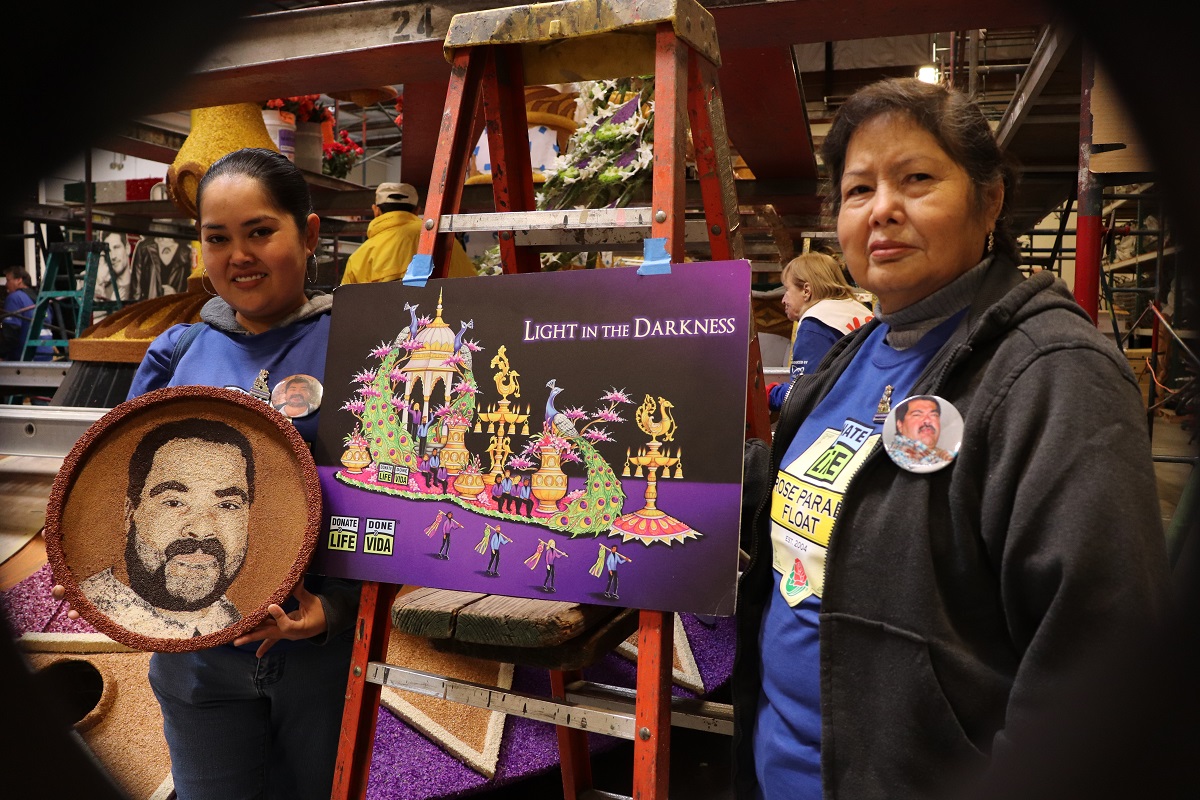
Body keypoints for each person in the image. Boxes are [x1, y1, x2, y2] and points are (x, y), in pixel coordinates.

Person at [732, 78, 1172, 800]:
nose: (883, 209)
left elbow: (1101, 667)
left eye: (916, 179)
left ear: (989, 200)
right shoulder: (854, 354)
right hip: (781, 770)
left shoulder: (1054, 375)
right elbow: (828, 502)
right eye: (858, 189)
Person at [54, 148, 360, 800]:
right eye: (217, 238)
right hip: (195, 667)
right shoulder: (177, 352)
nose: (239, 255)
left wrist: (336, 612)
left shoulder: (360, 351)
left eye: (260, 231)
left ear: (308, 234)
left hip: (319, 660)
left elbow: (400, 506)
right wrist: (86, 560)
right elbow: (116, 482)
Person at [80, 419, 253, 639]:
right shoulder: (80, 612)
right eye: (174, 502)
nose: (201, 530)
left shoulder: (237, 620)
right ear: (131, 512)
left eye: (227, 505)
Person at [766, 251, 874, 412]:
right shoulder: (862, 311)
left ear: (806, 290)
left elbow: (804, 395)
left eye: (787, 289)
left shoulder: (815, 324)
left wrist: (770, 394)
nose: (783, 300)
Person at [339, 181, 476, 284]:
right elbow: (473, 286)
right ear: (417, 210)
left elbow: (346, 306)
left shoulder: (359, 258)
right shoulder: (443, 241)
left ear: (376, 210)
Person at [2, 266, 54, 361]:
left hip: (27, 360)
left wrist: (2, 354)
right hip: (47, 357)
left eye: (8, 280)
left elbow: (10, 333)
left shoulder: (15, 298)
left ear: (19, 280)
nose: (6, 284)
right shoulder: (42, 300)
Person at [130, 233, 193, 298]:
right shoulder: (143, 248)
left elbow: (192, 293)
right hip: (150, 304)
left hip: (177, 304)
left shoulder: (187, 252)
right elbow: (136, 292)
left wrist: (176, 296)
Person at [96, 230, 132, 305]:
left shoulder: (142, 284)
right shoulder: (102, 288)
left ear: (127, 248)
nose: (113, 256)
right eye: (108, 250)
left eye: (116, 247)